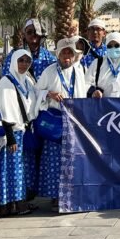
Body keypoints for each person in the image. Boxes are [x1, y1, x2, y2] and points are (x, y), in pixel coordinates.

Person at [34, 37, 87, 211]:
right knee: (54, 160)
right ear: (58, 54)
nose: (67, 56)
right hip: (55, 122)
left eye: (69, 52)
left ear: (73, 55)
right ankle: (56, 196)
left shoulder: (79, 70)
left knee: (73, 158)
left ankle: (72, 194)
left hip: (73, 120)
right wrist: (49, 94)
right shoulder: (49, 71)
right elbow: (36, 91)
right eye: (63, 52)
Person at [0, 49, 36, 216]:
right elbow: (4, 109)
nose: (24, 64)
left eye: (27, 61)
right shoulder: (6, 81)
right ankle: (10, 205)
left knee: (21, 169)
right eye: (21, 60)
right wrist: (11, 137)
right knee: (11, 170)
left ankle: (21, 201)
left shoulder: (27, 80)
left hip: (24, 131)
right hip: (12, 133)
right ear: (13, 62)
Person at [88, 33, 120, 97]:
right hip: (101, 105)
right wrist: (93, 92)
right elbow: (86, 83)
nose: (113, 48)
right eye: (109, 46)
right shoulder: (98, 63)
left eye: (116, 45)